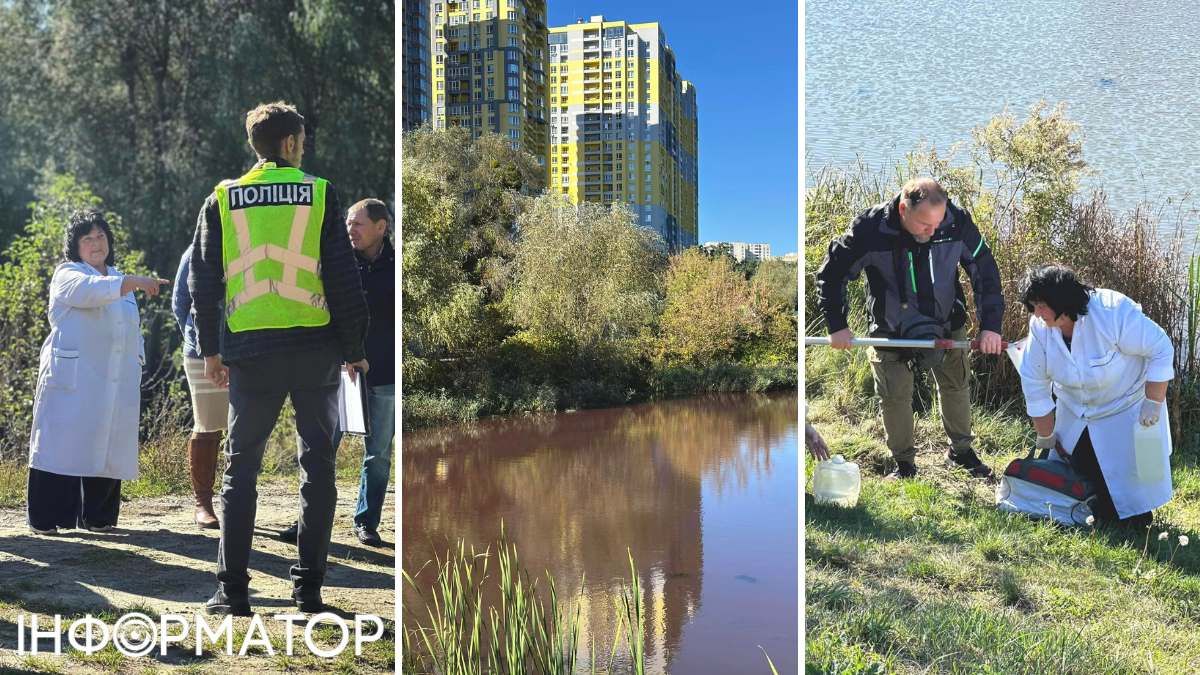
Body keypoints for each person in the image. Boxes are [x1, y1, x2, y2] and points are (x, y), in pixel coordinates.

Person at [190, 101, 369, 616]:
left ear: (257, 145)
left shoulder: (222, 198)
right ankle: (309, 592)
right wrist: (354, 349)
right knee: (318, 470)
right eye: (303, 141)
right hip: (314, 348)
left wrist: (211, 350)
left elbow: (204, 279)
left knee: (240, 471)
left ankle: (233, 593)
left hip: (249, 350)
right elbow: (342, 276)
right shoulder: (319, 193)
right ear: (291, 143)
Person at [815, 177, 1004, 480]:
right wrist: (837, 325)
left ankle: (961, 452)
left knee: (956, 386)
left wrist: (990, 327)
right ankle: (904, 464)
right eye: (924, 225)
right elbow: (831, 273)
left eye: (937, 224)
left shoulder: (956, 223)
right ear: (903, 209)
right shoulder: (870, 229)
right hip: (891, 328)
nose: (931, 233)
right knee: (894, 397)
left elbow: (985, 271)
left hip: (946, 323)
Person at [27, 210, 168, 534]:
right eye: (87, 238)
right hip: (73, 380)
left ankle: (99, 517)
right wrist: (133, 282)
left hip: (113, 380)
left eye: (101, 236)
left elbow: (129, 328)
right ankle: (47, 520)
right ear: (75, 246)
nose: (96, 243)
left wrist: (137, 360)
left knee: (107, 444)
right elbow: (89, 291)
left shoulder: (118, 277)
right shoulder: (68, 274)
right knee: (61, 445)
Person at [1015, 264, 1173, 527]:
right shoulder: (1040, 328)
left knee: (1131, 494)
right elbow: (1034, 382)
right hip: (1076, 411)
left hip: (1125, 408)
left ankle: (1136, 523)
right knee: (1082, 476)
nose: (1036, 313)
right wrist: (1046, 437)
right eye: (1033, 305)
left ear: (1062, 300)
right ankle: (1092, 514)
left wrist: (1153, 403)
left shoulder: (1112, 313)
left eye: (1042, 305)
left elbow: (1161, 348)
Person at [280, 198, 395, 548]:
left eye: (357, 224)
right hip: (342, 371)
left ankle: (366, 522)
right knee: (322, 448)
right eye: (347, 223)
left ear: (381, 226)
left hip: (386, 374)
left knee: (377, 455)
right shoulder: (337, 264)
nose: (350, 230)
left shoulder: (397, 265)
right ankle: (308, 521)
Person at [172, 243, 227, 529]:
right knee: (207, 424)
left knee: (246, 426)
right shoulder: (194, 251)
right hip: (202, 354)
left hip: (245, 349)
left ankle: (235, 500)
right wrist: (195, 340)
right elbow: (180, 302)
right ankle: (203, 503)